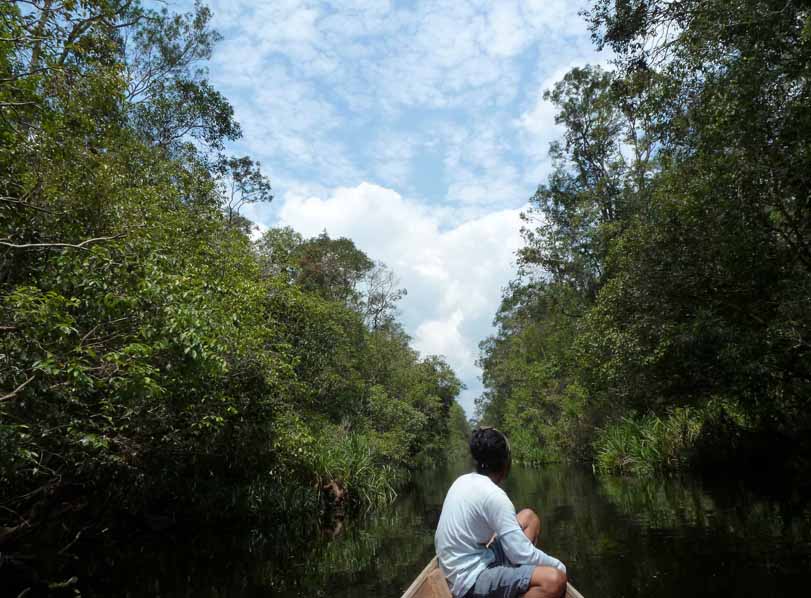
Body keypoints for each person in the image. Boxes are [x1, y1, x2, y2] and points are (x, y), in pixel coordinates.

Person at [434, 427, 568, 598]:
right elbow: (521, 554)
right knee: (554, 580)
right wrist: (559, 566)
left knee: (528, 517)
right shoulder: (494, 496)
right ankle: (520, 581)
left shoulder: (462, 480)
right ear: (505, 463)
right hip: (469, 581)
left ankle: (517, 580)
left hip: (459, 566)